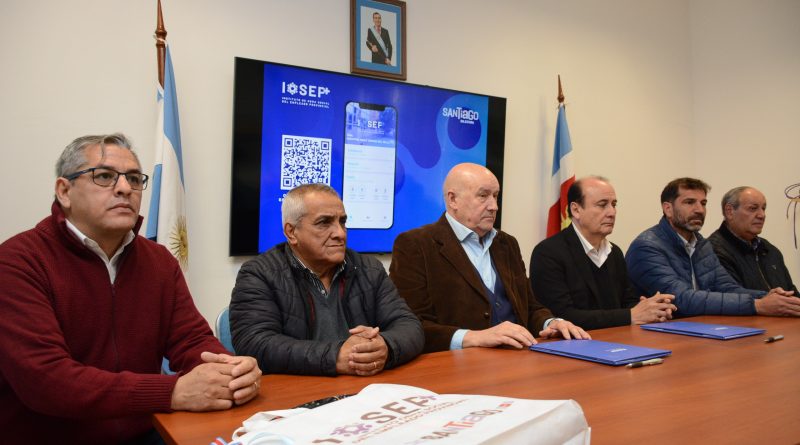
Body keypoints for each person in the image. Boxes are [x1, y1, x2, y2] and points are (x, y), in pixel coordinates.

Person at [0, 134, 261, 443]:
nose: (125, 188)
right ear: (64, 191)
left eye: (135, 179)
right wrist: (171, 391)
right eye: (104, 176)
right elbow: (47, 380)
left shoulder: (158, 261)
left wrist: (231, 370)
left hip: (147, 432)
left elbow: (191, 341)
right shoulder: (18, 261)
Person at [389, 163, 590, 353]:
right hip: (457, 365)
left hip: (518, 358)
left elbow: (530, 307)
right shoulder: (416, 245)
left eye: (495, 196)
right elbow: (410, 325)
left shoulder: (507, 243)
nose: (493, 206)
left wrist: (551, 323)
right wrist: (474, 337)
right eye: (483, 196)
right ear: (453, 200)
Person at [230, 183, 423, 376]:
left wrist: (385, 346)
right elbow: (255, 343)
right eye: (324, 223)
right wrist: (335, 357)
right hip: (301, 388)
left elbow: (409, 325)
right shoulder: (259, 274)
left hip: (366, 386)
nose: (340, 233)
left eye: (342, 222)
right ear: (291, 232)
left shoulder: (369, 269)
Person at [626, 177, 799, 317]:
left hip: (696, 328)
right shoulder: (647, 246)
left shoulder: (701, 244)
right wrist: (757, 305)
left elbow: (727, 288)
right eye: (689, 202)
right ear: (668, 209)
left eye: (703, 203)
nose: (699, 210)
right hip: (657, 334)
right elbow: (681, 299)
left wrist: (769, 297)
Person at [530, 177, 676, 330]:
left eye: (614, 204)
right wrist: (630, 315)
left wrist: (652, 309)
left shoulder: (615, 252)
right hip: (574, 342)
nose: (612, 212)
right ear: (576, 210)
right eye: (602, 205)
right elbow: (561, 316)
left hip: (617, 338)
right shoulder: (548, 253)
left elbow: (627, 302)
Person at [709, 186, 798, 294]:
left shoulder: (769, 250)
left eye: (763, 208)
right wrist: (770, 301)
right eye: (753, 208)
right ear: (729, 211)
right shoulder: (713, 250)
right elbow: (731, 298)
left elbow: (792, 291)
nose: (762, 215)